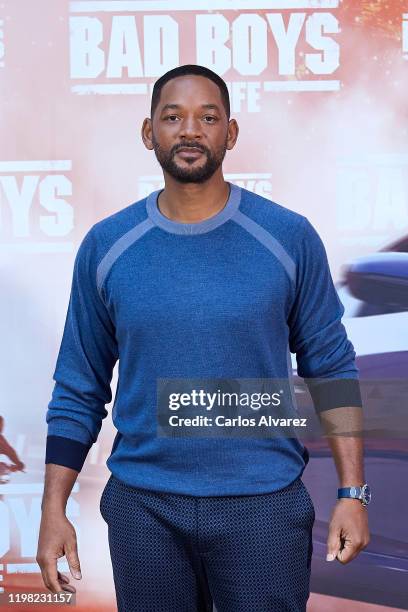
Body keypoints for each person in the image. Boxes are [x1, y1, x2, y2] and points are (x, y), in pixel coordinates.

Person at [37, 64, 370, 611]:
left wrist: (353, 493)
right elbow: (78, 387)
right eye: (173, 117)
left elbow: (331, 369)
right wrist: (54, 510)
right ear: (150, 133)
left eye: (207, 117)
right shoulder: (108, 245)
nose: (190, 130)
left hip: (262, 505)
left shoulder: (288, 236)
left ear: (230, 134)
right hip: (145, 508)